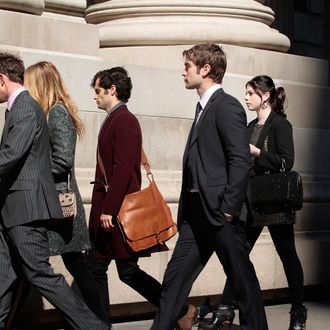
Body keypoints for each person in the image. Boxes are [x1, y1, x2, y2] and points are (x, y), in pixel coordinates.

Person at [150, 43, 268, 330]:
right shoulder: (202, 107)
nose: (183, 72)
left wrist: (228, 208)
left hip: (219, 216)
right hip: (195, 216)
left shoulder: (226, 106)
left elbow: (239, 159)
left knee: (243, 285)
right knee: (174, 282)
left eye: (188, 66)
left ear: (205, 70)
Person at [0, 52, 109, 329]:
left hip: (44, 202)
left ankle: (96, 325)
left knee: (51, 271)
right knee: (16, 274)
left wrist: (36, 174)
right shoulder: (32, 109)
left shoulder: (45, 111)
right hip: (27, 204)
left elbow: (60, 160)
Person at [200, 75, 307, 330]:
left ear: (265, 96)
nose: (246, 97)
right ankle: (226, 308)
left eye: (250, 93)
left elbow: (286, 162)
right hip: (252, 200)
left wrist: (257, 153)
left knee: (287, 255)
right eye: (246, 93)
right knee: (238, 254)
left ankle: (298, 311)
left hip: (276, 201)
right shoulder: (248, 127)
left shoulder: (281, 125)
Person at [88, 66, 168, 328]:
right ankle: (101, 324)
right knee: (98, 268)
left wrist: (109, 209)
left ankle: (177, 309)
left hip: (117, 213)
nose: (94, 96)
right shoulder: (116, 118)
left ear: (112, 89)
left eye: (98, 90)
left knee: (127, 272)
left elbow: (123, 169)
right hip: (109, 211)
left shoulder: (125, 120)